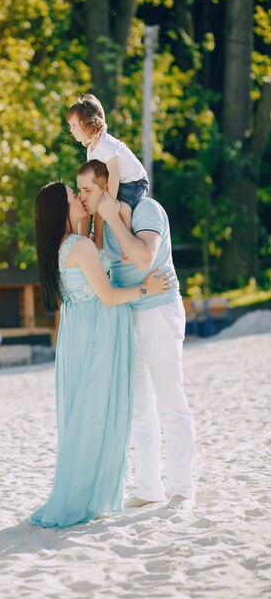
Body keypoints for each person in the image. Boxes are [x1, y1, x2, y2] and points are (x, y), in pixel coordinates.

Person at [30, 182, 173, 528]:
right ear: (61, 210)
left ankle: (84, 493)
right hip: (97, 334)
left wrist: (89, 223)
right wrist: (145, 288)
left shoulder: (60, 248)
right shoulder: (78, 246)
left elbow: (90, 252)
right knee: (97, 415)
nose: (80, 197)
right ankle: (86, 497)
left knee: (83, 415)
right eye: (72, 196)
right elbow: (108, 295)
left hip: (76, 337)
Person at [77, 160, 196, 510]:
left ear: (108, 189)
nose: (82, 196)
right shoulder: (99, 223)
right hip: (127, 315)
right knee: (140, 408)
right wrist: (94, 218)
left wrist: (112, 217)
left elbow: (144, 258)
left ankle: (183, 488)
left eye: (88, 190)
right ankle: (149, 488)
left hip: (159, 311)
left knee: (171, 401)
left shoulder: (148, 210)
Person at [67, 93, 149, 246]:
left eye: (74, 125)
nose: (71, 130)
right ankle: (97, 240)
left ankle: (126, 245)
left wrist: (110, 199)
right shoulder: (91, 149)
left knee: (121, 209)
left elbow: (114, 173)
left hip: (135, 182)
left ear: (87, 124)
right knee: (98, 206)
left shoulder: (106, 144)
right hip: (118, 181)